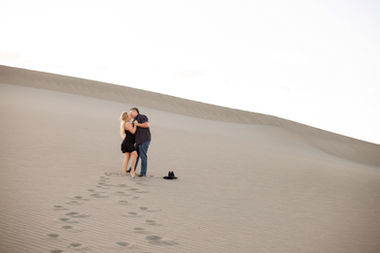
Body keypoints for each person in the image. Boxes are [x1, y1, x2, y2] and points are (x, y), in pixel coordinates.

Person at [127, 107, 151, 177]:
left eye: (131, 112)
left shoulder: (142, 117)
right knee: (135, 155)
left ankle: (143, 173)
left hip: (145, 140)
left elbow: (146, 125)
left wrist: (137, 124)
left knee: (143, 156)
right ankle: (132, 169)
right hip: (138, 141)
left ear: (135, 112)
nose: (130, 114)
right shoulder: (134, 120)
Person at [120, 111, 138, 177]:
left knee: (127, 158)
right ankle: (132, 171)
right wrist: (135, 125)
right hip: (128, 143)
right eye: (130, 115)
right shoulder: (127, 123)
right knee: (135, 155)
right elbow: (133, 131)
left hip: (127, 142)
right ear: (127, 117)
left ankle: (124, 172)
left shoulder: (127, 123)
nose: (131, 116)